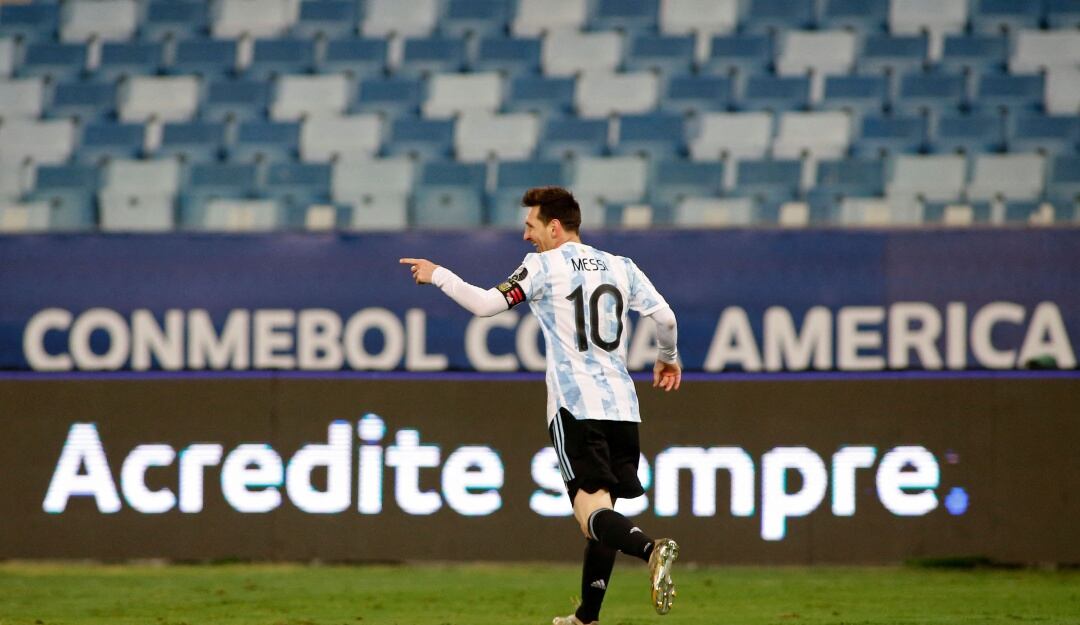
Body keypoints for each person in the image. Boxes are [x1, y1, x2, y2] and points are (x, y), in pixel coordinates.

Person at [400, 186, 682, 625]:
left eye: (530, 226)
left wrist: (438, 274)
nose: (526, 237)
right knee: (603, 511)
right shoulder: (621, 266)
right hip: (623, 409)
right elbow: (665, 318)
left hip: (575, 406)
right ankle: (586, 618)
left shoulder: (543, 267)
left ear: (553, 227)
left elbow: (484, 304)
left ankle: (650, 549)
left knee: (591, 516)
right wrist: (668, 356)